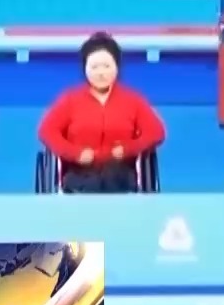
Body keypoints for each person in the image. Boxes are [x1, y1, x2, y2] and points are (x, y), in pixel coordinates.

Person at [37, 32, 166, 193]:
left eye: (106, 66)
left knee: (113, 178)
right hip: (79, 172)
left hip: (120, 173)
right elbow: (47, 131)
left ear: (117, 67)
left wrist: (128, 149)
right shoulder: (70, 99)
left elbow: (156, 132)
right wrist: (75, 153)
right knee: (89, 184)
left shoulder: (132, 99)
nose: (101, 73)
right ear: (85, 68)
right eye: (94, 67)